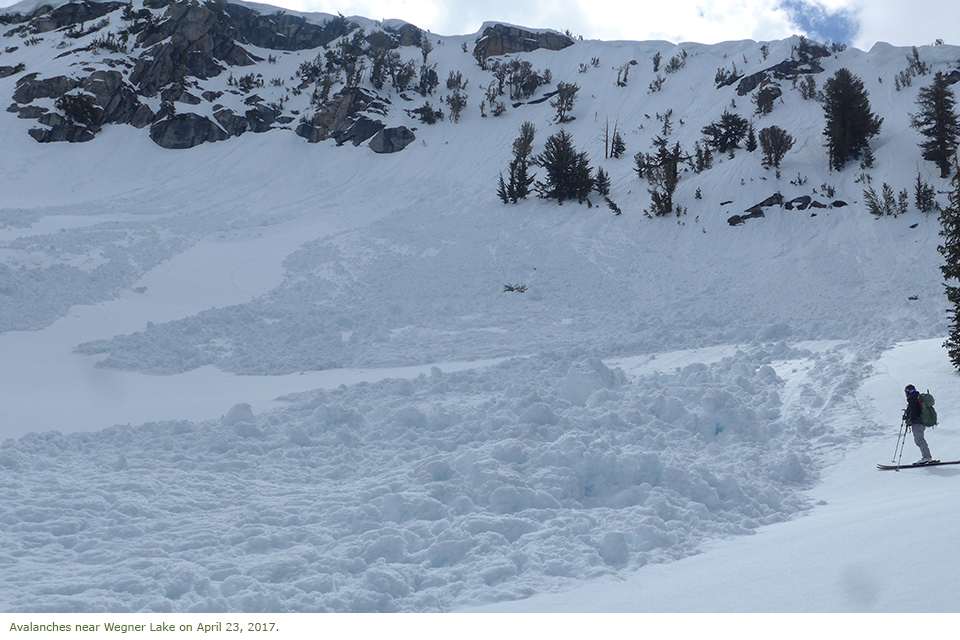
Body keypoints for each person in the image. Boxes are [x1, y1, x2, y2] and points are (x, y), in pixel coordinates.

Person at [904, 385, 933, 464]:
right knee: (919, 440)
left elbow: (914, 412)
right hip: (921, 422)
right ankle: (927, 457)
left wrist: (910, 420)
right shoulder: (917, 398)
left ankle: (927, 457)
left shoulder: (913, 400)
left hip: (918, 423)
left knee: (919, 440)